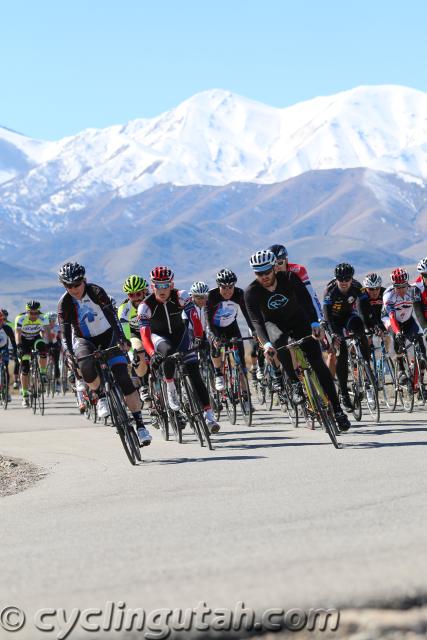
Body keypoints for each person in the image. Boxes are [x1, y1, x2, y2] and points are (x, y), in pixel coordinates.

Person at [245, 250, 350, 431]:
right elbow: (256, 321)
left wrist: (314, 324)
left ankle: (338, 410)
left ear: (274, 268)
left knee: (318, 363)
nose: (264, 277)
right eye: (259, 273)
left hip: (298, 319)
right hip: (274, 324)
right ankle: (294, 382)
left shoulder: (290, 278)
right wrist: (266, 344)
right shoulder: (251, 292)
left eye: (267, 272)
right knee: (279, 341)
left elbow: (306, 301)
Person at [57, 261, 151, 445]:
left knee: (123, 378)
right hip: (85, 340)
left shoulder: (96, 292)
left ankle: (140, 426)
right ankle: (100, 396)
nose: (74, 289)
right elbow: (65, 333)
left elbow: (113, 317)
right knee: (85, 366)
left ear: (84, 280)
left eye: (77, 284)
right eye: (69, 285)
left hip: (108, 336)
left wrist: (121, 338)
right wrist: (69, 353)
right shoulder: (64, 304)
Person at [138, 266, 220, 433]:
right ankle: (170, 388)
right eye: (158, 285)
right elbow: (145, 336)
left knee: (194, 372)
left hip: (180, 334)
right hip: (159, 336)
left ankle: (209, 415)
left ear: (172, 284)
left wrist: (199, 337)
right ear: (152, 286)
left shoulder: (181, 296)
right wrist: (152, 354)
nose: (162, 290)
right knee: (167, 352)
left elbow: (194, 319)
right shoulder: (145, 306)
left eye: (165, 285)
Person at [323, 263, 372, 410]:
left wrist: (371, 324)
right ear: (336, 279)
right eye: (341, 279)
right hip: (334, 321)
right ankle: (344, 394)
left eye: (347, 279)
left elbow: (365, 307)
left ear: (352, 278)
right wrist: (333, 333)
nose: (344, 282)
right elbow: (327, 315)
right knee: (342, 354)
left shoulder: (357, 287)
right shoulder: (330, 291)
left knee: (360, 329)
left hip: (349, 316)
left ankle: (367, 366)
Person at [207, 268, 254, 391]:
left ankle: (245, 393)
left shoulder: (239, 293)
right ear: (218, 286)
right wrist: (214, 336)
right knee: (215, 346)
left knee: (241, 360)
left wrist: (254, 331)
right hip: (215, 327)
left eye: (230, 287)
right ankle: (218, 374)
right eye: (224, 287)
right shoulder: (211, 296)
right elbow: (208, 320)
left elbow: (247, 315)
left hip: (232, 326)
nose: (227, 291)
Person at [383, 267, 426, 382]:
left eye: (403, 286)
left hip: (407, 319)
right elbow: (392, 317)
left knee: (420, 342)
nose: (401, 290)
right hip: (391, 319)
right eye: (398, 287)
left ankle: (420, 379)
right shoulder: (388, 295)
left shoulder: (413, 290)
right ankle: (401, 369)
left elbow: (418, 310)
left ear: (407, 284)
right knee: (397, 339)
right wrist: (397, 332)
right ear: (393, 286)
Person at [268, 244, 323, 320]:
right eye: (274, 264)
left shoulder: (298, 270)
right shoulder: (267, 275)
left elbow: (311, 295)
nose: (277, 267)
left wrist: (320, 319)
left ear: (286, 260)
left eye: (280, 263)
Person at [118, 275, 150, 401]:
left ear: (144, 292)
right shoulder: (124, 309)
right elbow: (126, 335)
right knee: (138, 349)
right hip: (134, 333)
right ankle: (143, 385)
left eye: (138, 294)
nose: (135, 298)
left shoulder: (151, 302)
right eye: (131, 295)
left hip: (151, 330)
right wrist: (132, 354)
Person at [15, 301, 49, 407]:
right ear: (27, 312)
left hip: (35, 338)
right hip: (24, 341)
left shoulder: (43, 317)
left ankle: (42, 373)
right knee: (25, 368)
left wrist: (46, 342)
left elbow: (45, 332)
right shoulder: (20, 318)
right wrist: (19, 346)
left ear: (39, 312)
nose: (34, 315)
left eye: (36, 313)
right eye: (31, 313)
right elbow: (17, 333)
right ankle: (25, 395)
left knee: (43, 348)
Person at [0, 310, 17, 401]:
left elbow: (13, 341)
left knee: (6, 369)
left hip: (4, 349)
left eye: (1, 320)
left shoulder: (7, 328)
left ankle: (6, 391)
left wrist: (15, 352)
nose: (1, 322)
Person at [45, 311, 62, 393]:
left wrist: (61, 345)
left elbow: (60, 337)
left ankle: (57, 382)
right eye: (50, 320)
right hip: (46, 344)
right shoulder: (44, 327)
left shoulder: (57, 327)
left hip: (54, 344)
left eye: (54, 320)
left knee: (56, 363)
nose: (52, 322)